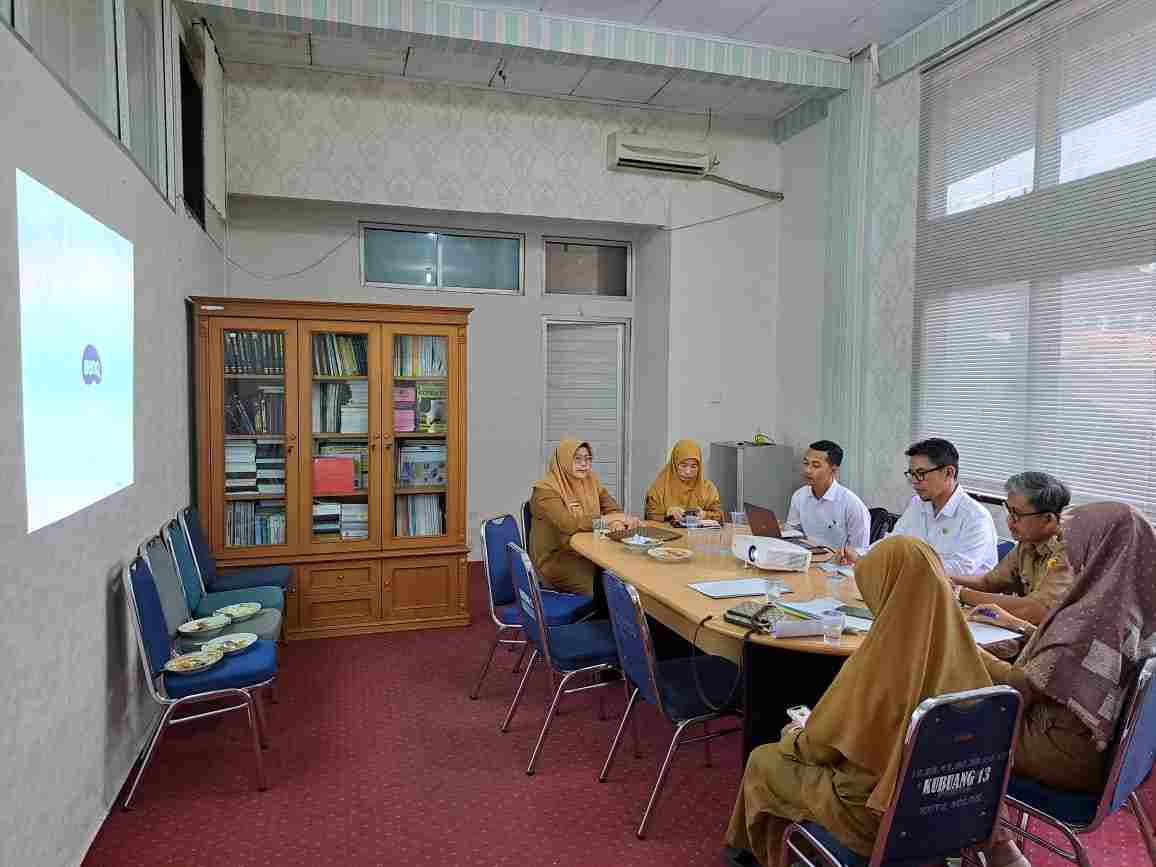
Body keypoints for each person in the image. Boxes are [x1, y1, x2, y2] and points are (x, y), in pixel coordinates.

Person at [725, 537, 993, 867]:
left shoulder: (878, 662)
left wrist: (793, 736)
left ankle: (754, 856)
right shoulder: (967, 656)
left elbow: (818, 750)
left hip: (874, 817)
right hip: (951, 812)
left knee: (764, 760)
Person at [978, 501, 1156, 867]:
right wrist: (1018, 625)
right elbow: (1067, 659)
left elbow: (1021, 687)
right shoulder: (1129, 605)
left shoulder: (1091, 618)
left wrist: (962, 646)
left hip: (1061, 752)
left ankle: (999, 847)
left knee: (946, 731)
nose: (1068, 555)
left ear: (1101, 549)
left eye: (1075, 543)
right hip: (1102, 756)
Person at [846, 438, 997, 574]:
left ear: (949, 473)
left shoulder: (976, 517)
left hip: (959, 594)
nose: (914, 481)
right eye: (912, 474)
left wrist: (906, 566)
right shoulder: (917, 504)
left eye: (921, 473)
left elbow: (961, 569)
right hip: (916, 586)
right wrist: (859, 554)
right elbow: (892, 542)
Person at [953, 472, 1073, 631]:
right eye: (1009, 511)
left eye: (1017, 515)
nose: (1009, 521)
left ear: (1048, 520)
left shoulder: (1071, 550)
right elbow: (988, 583)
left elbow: (1037, 610)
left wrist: (960, 594)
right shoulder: (1028, 541)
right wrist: (942, 578)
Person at [529, 439, 638, 597]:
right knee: (604, 586)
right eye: (577, 459)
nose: (584, 464)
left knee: (624, 573)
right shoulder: (545, 490)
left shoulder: (591, 480)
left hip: (588, 550)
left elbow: (611, 508)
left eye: (588, 459)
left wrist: (615, 521)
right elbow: (569, 524)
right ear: (564, 460)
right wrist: (609, 519)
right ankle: (603, 611)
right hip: (557, 558)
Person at [784, 440, 870, 552]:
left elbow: (860, 551)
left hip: (838, 561)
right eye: (806, 463)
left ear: (833, 470)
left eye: (816, 466)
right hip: (807, 557)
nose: (807, 470)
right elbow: (791, 534)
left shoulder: (852, 504)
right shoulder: (799, 496)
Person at [644, 439, 723, 524]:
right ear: (674, 464)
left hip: (697, 532)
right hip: (668, 531)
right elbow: (650, 515)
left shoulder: (708, 488)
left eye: (693, 466)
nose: (688, 471)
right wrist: (667, 513)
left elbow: (719, 516)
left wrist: (705, 515)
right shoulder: (659, 487)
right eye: (683, 466)